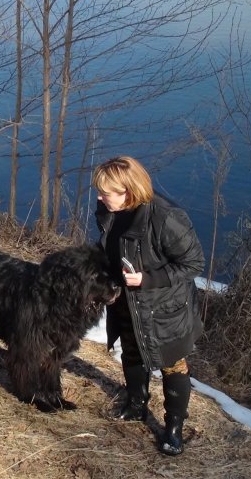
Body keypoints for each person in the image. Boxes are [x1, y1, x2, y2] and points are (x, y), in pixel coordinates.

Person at [92, 155, 205, 456]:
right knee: (131, 352)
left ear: (128, 190)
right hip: (126, 302)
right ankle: (136, 405)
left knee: (173, 365)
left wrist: (148, 279)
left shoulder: (166, 217)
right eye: (100, 192)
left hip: (164, 310)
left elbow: (194, 264)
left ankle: (174, 429)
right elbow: (109, 248)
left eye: (106, 192)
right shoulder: (108, 210)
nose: (99, 197)